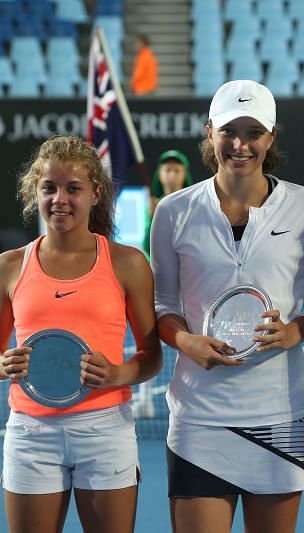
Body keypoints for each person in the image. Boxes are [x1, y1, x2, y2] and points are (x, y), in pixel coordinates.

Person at [150, 80, 304, 533]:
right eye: (229, 130)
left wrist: (297, 329)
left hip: (281, 414)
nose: (240, 144)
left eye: (253, 132)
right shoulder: (173, 210)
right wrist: (185, 340)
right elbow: (161, 304)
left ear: (271, 138)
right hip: (198, 418)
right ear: (210, 132)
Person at [0, 135, 162, 532]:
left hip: (105, 429)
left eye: (72, 188)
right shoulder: (8, 266)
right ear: (35, 191)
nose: (59, 199)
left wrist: (118, 374)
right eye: (49, 187)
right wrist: (3, 363)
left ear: (96, 193)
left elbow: (152, 354)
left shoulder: (128, 264)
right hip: (31, 433)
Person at [131, 149, 193, 419]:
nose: (171, 174)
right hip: (155, 283)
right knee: (147, 337)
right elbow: (148, 246)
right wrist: (154, 218)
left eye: (177, 170)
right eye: (167, 169)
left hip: (188, 282)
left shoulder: (194, 203)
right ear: (159, 174)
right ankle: (144, 398)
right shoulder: (151, 204)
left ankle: (192, 394)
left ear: (184, 174)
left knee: (188, 336)